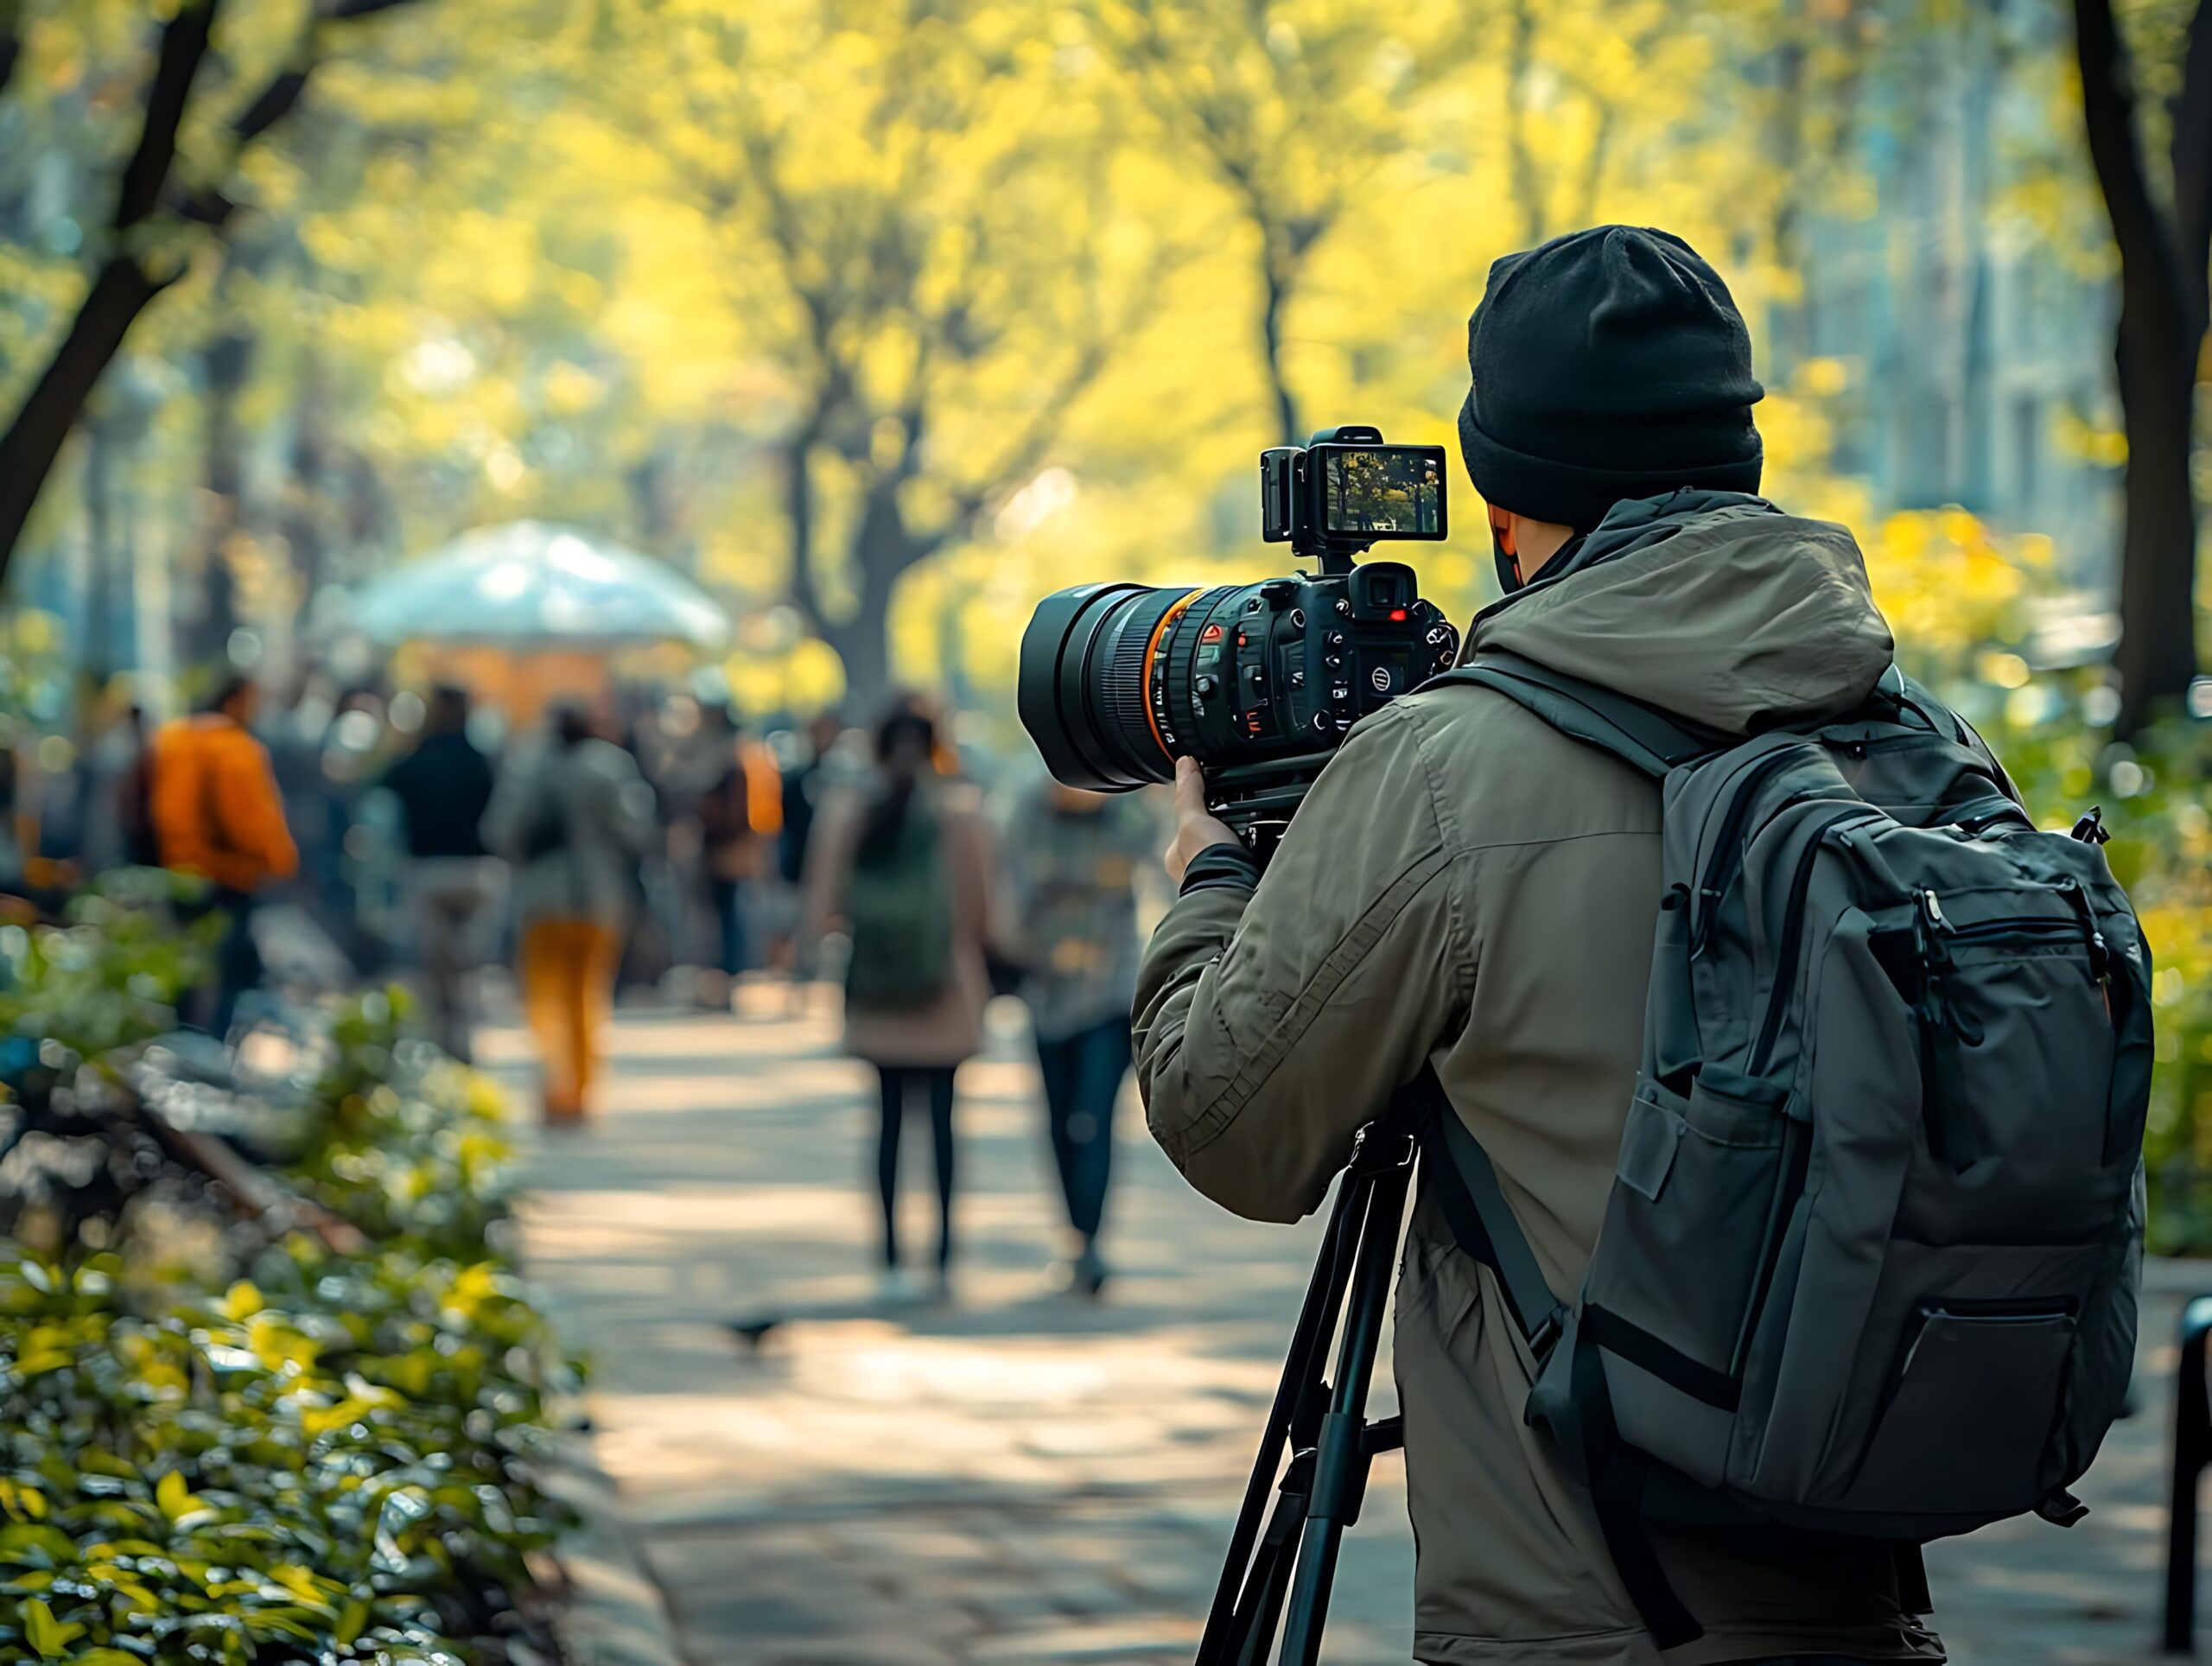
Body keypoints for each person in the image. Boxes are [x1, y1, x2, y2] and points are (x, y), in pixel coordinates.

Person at [1138, 227, 1945, 1665]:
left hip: (1577, 1618)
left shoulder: (1451, 765)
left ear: (1505, 502)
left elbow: (1230, 1126)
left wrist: (1211, 878)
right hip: (1867, 1597)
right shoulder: (1914, 739)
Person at [805, 703, 995, 1300]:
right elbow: (983, 911)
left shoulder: (849, 809)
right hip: (944, 989)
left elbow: (823, 904)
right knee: (942, 1126)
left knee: (886, 1127)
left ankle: (889, 1257)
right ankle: (942, 1258)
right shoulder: (960, 812)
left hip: (879, 991)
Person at [1003, 780, 1156, 1295]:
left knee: (1092, 1120)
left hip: (1108, 996)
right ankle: (1074, 1234)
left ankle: (1089, 1242)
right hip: (1047, 996)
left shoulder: (1125, 812)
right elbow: (1009, 893)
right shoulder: (1028, 812)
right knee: (1058, 1122)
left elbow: (1159, 851)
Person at [484, 702, 658, 1125]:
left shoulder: (529, 769)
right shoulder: (611, 766)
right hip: (600, 899)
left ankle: (554, 1086)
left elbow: (501, 832)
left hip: (542, 900)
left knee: (545, 999)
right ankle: (581, 1090)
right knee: (588, 995)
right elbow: (636, 829)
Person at [149, 675, 300, 1036]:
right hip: (229, 875)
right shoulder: (234, 747)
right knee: (228, 974)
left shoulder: (173, 740)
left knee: (182, 969)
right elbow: (251, 818)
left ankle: (178, 1040)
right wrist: (279, 859)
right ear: (234, 700)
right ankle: (214, 1047)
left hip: (178, 871)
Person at [381, 684, 501, 1060]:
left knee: (434, 970)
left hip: (429, 871)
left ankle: (442, 1045)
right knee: (469, 965)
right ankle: (466, 1041)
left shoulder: (417, 757)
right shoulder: (480, 758)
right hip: (474, 871)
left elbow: (384, 785)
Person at [694, 706, 782, 1008]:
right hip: (738, 850)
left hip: (730, 853)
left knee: (731, 922)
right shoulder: (754, 759)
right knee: (732, 919)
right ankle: (729, 982)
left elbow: (738, 813)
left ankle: (730, 981)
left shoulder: (738, 764)